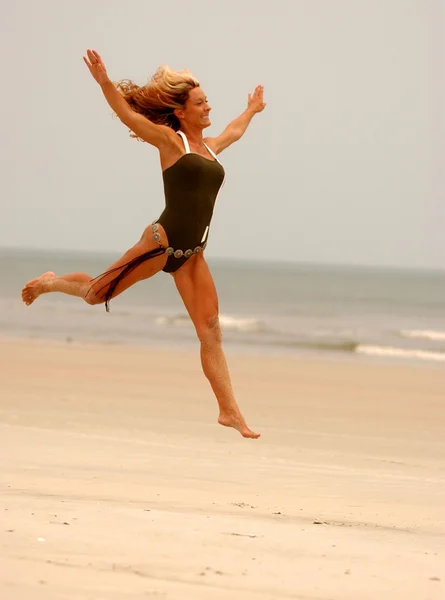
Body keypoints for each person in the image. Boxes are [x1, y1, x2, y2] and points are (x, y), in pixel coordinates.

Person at [22, 49, 266, 439]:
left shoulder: (210, 148)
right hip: (161, 244)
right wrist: (104, 81)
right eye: (200, 103)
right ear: (182, 111)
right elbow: (128, 116)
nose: (207, 107)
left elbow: (234, 131)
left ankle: (229, 411)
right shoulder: (172, 142)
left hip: (192, 256)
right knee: (95, 294)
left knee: (211, 331)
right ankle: (51, 281)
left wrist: (251, 109)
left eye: (207, 101)